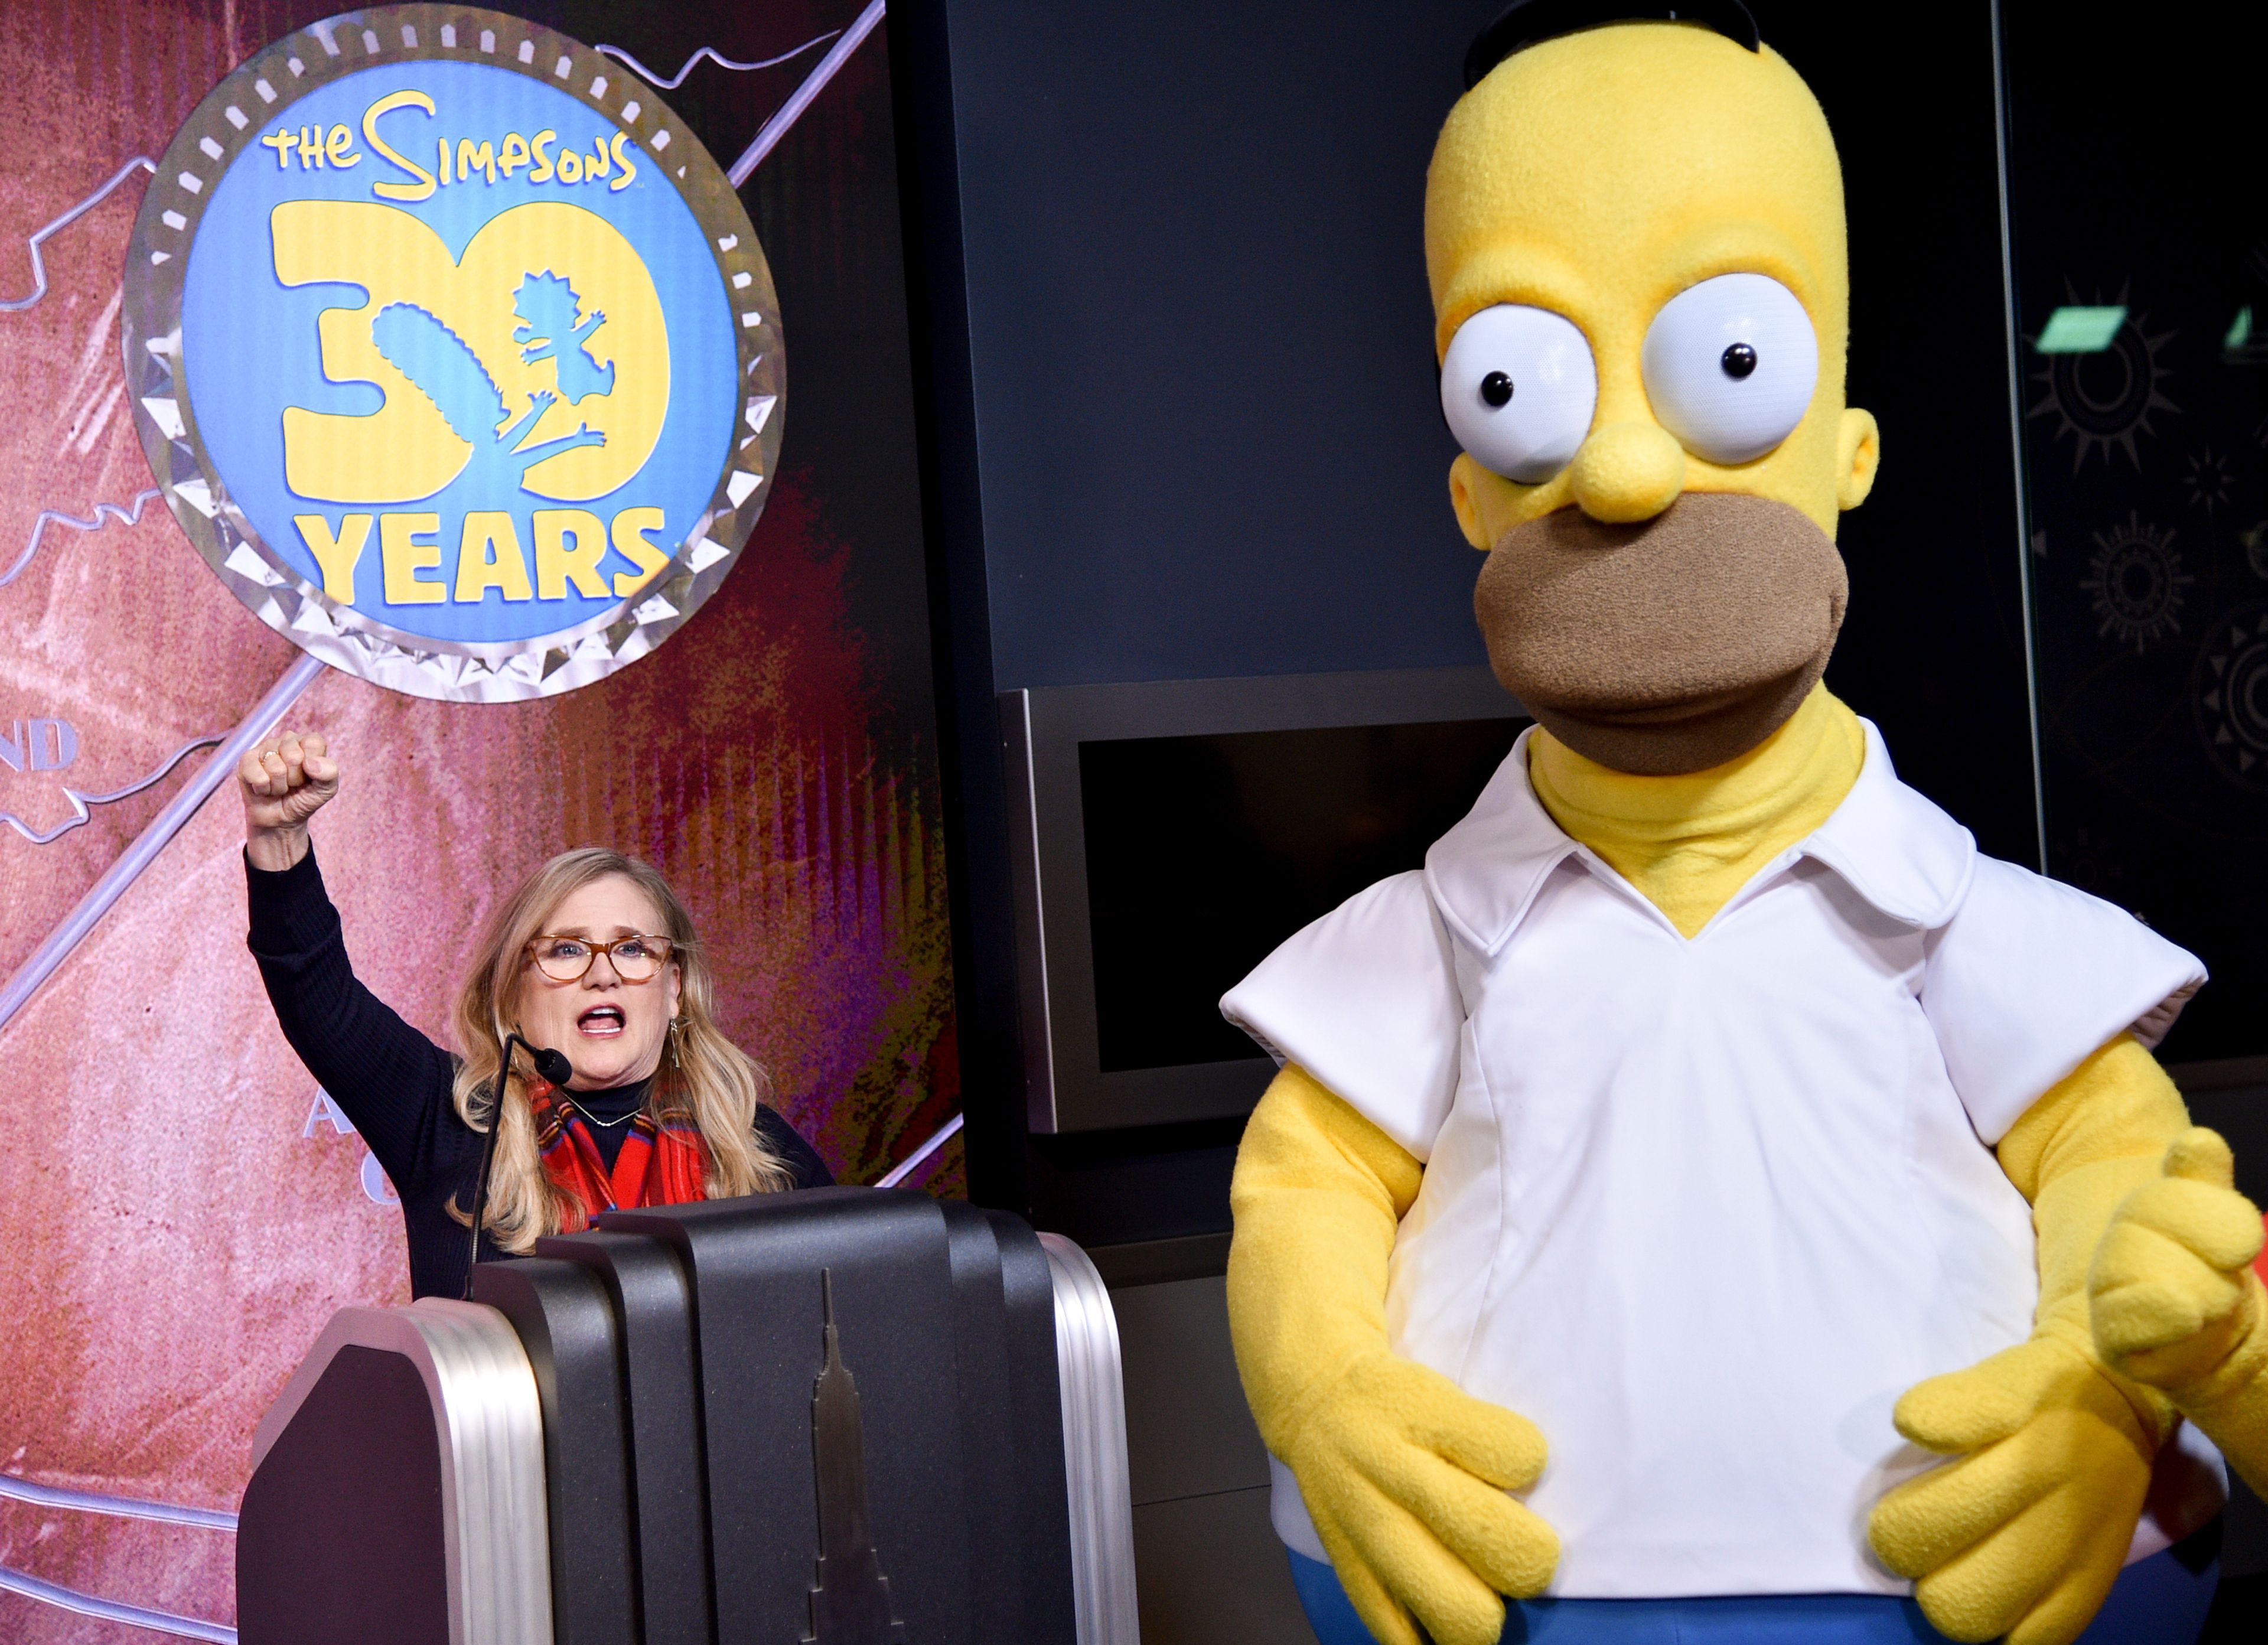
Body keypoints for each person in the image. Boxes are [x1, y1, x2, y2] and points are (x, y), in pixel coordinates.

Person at [240, 728, 832, 1299]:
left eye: (632, 948)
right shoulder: (450, 1122)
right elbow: (319, 997)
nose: (604, 972)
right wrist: (280, 844)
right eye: (567, 950)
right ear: (512, 994)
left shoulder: (760, 1149)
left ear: (674, 986)